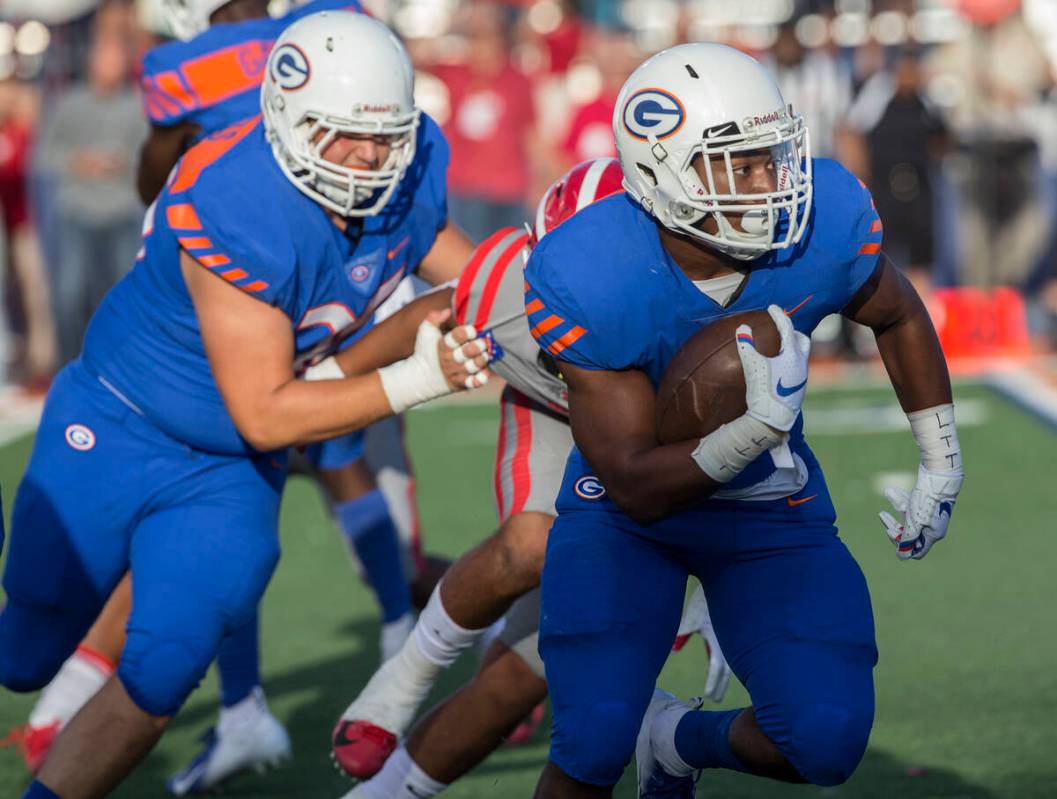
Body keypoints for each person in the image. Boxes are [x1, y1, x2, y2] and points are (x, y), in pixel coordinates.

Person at [0, 13, 491, 799]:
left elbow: (468, 273)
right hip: (123, 421)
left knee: (162, 669)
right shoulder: (236, 195)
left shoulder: (410, 159)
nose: (369, 156)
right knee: (22, 652)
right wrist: (417, 376)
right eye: (340, 135)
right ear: (290, 121)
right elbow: (265, 407)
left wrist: (534, 296)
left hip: (232, 469)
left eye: (384, 135)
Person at [522, 43, 964, 797]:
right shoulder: (591, 270)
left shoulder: (816, 227)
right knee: (591, 737)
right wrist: (746, 432)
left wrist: (939, 455)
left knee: (823, 737)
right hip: (629, 522)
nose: (770, 183)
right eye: (738, 165)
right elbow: (632, 482)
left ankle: (673, 739)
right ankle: (627, 734)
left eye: (772, 157)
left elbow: (893, 311)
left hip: (767, 510)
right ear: (661, 171)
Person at [329, 159, 732, 799]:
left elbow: (740, 452)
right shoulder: (503, 289)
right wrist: (328, 384)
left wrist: (721, 579)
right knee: (531, 543)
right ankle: (405, 674)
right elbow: (426, 315)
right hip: (552, 415)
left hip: (651, 458)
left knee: (526, 672)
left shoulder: (706, 325)